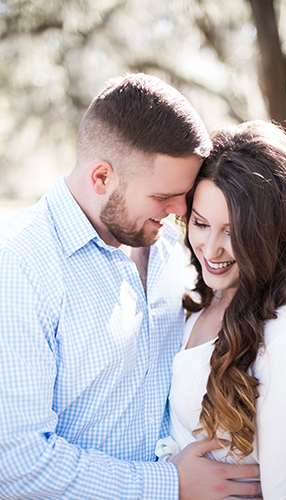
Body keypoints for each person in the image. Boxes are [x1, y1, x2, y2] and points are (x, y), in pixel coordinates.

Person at [0, 74, 261, 499]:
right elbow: (16, 463)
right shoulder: (19, 267)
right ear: (102, 177)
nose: (181, 210)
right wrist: (169, 485)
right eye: (164, 197)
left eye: (185, 194)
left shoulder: (173, 249)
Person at [156, 120, 286, 499]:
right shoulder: (203, 300)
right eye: (200, 223)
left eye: (233, 232)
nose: (211, 249)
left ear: (271, 233)